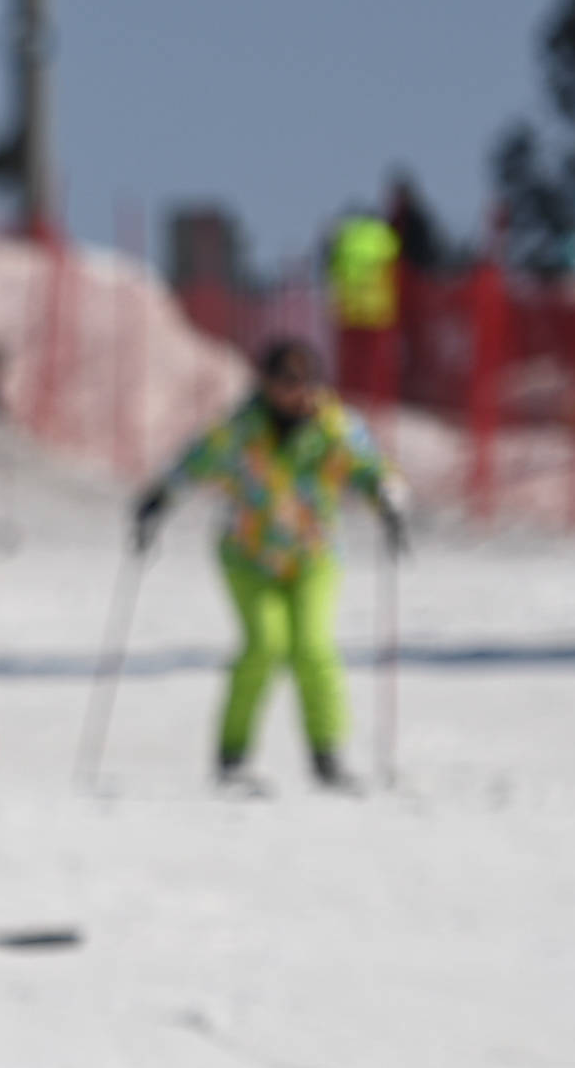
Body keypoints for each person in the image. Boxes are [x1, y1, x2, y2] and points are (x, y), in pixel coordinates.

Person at [134, 337, 405, 792]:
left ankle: (327, 754)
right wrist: (157, 501)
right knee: (265, 644)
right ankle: (232, 755)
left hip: (313, 555)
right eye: (286, 382)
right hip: (250, 556)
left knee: (313, 648)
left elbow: (369, 467)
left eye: (307, 382)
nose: (298, 392)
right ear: (266, 384)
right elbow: (194, 463)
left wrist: (388, 502)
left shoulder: (334, 427)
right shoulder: (241, 429)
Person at [328, 205, 402, 412]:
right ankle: (376, 401)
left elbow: (333, 265)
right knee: (376, 363)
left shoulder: (344, 234)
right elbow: (395, 262)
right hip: (377, 307)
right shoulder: (382, 235)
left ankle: (350, 396)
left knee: (351, 360)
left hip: (349, 307)